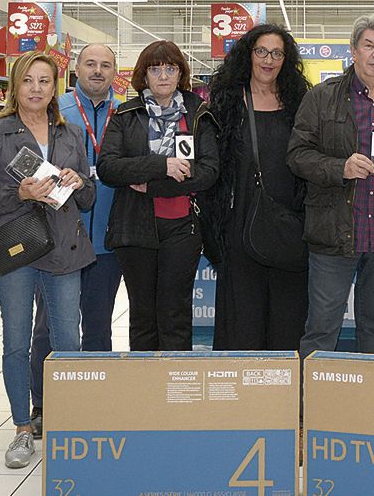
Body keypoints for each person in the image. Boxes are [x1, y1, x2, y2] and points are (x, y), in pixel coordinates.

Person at [0, 51, 95, 468]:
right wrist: (19, 193)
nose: (36, 89)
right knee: (16, 342)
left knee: (68, 342)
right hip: (16, 247)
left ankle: (69, 424)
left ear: (54, 87)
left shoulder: (71, 134)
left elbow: (90, 197)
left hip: (63, 247)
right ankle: (23, 428)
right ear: (15, 86)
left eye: (45, 81)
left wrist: (78, 182)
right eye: (28, 81)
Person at [288, 15, 374, 357]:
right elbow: (297, 155)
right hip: (334, 233)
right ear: (353, 51)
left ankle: (370, 406)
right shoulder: (322, 98)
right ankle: (311, 405)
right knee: (322, 327)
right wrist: (341, 167)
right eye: (368, 46)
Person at [98, 40, 219, 351]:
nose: (163, 76)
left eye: (170, 68)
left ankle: (176, 391)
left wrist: (153, 185)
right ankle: (145, 392)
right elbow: (109, 168)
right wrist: (161, 165)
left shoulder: (198, 114)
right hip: (135, 226)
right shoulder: (126, 114)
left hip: (182, 227)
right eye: (155, 69)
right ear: (144, 75)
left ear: (180, 73)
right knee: (142, 314)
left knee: (175, 313)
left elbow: (208, 172)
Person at [26, 43, 120, 439]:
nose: (97, 71)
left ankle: (93, 402)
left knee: (98, 327)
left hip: (109, 240)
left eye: (106, 65)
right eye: (90, 64)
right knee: (50, 326)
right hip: (56, 239)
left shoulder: (128, 115)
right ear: (76, 68)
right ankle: (45, 404)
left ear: (116, 72)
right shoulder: (53, 111)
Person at [205, 24, 311, 350]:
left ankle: (284, 397)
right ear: (248, 55)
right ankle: (243, 398)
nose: (268, 60)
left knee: (287, 319)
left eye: (277, 53)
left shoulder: (299, 103)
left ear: (286, 59)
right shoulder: (227, 102)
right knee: (243, 321)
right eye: (261, 51)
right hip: (240, 226)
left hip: (289, 226)